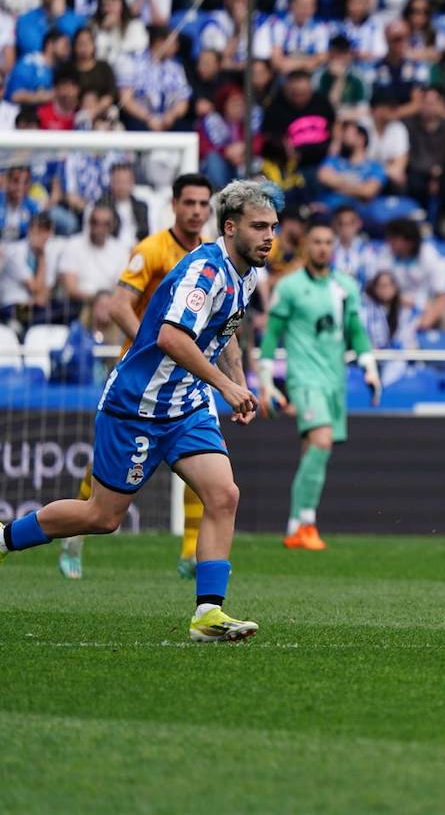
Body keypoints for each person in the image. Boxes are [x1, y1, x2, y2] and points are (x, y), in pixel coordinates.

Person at [0, 180, 276, 644]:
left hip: (186, 406)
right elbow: (171, 338)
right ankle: (6, 537)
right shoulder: (203, 272)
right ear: (230, 228)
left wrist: (240, 383)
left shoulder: (245, 272)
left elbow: (225, 329)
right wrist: (226, 385)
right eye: (259, 226)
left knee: (224, 494)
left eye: (273, 226)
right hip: (137, 406)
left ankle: (208, 613)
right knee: (102, 516)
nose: (270, 235)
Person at [63, 174, 215, 580]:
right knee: (105, 468)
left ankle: (190, 554)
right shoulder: (151, 249)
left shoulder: (214, 255)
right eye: (190, 203)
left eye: (204, 204)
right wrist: (152, 344)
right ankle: (74, 537)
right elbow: (118, 305)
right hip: (140, 378)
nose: (197, 211)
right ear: (174, 204)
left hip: (188, 377)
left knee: (200, 461)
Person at [259, 218, 382, 551]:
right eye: (316, 242)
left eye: (328, 242)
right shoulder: (288, 286)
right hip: (304, 378)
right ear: (305, 246)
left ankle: (295, 524)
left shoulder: (345, 286)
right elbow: (271, 335)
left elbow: (356, 330)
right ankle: (307, 521)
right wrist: (266, 382)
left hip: (334, 379)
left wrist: (369, 367)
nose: (323, 247)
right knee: (322, 442)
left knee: (313, 449)